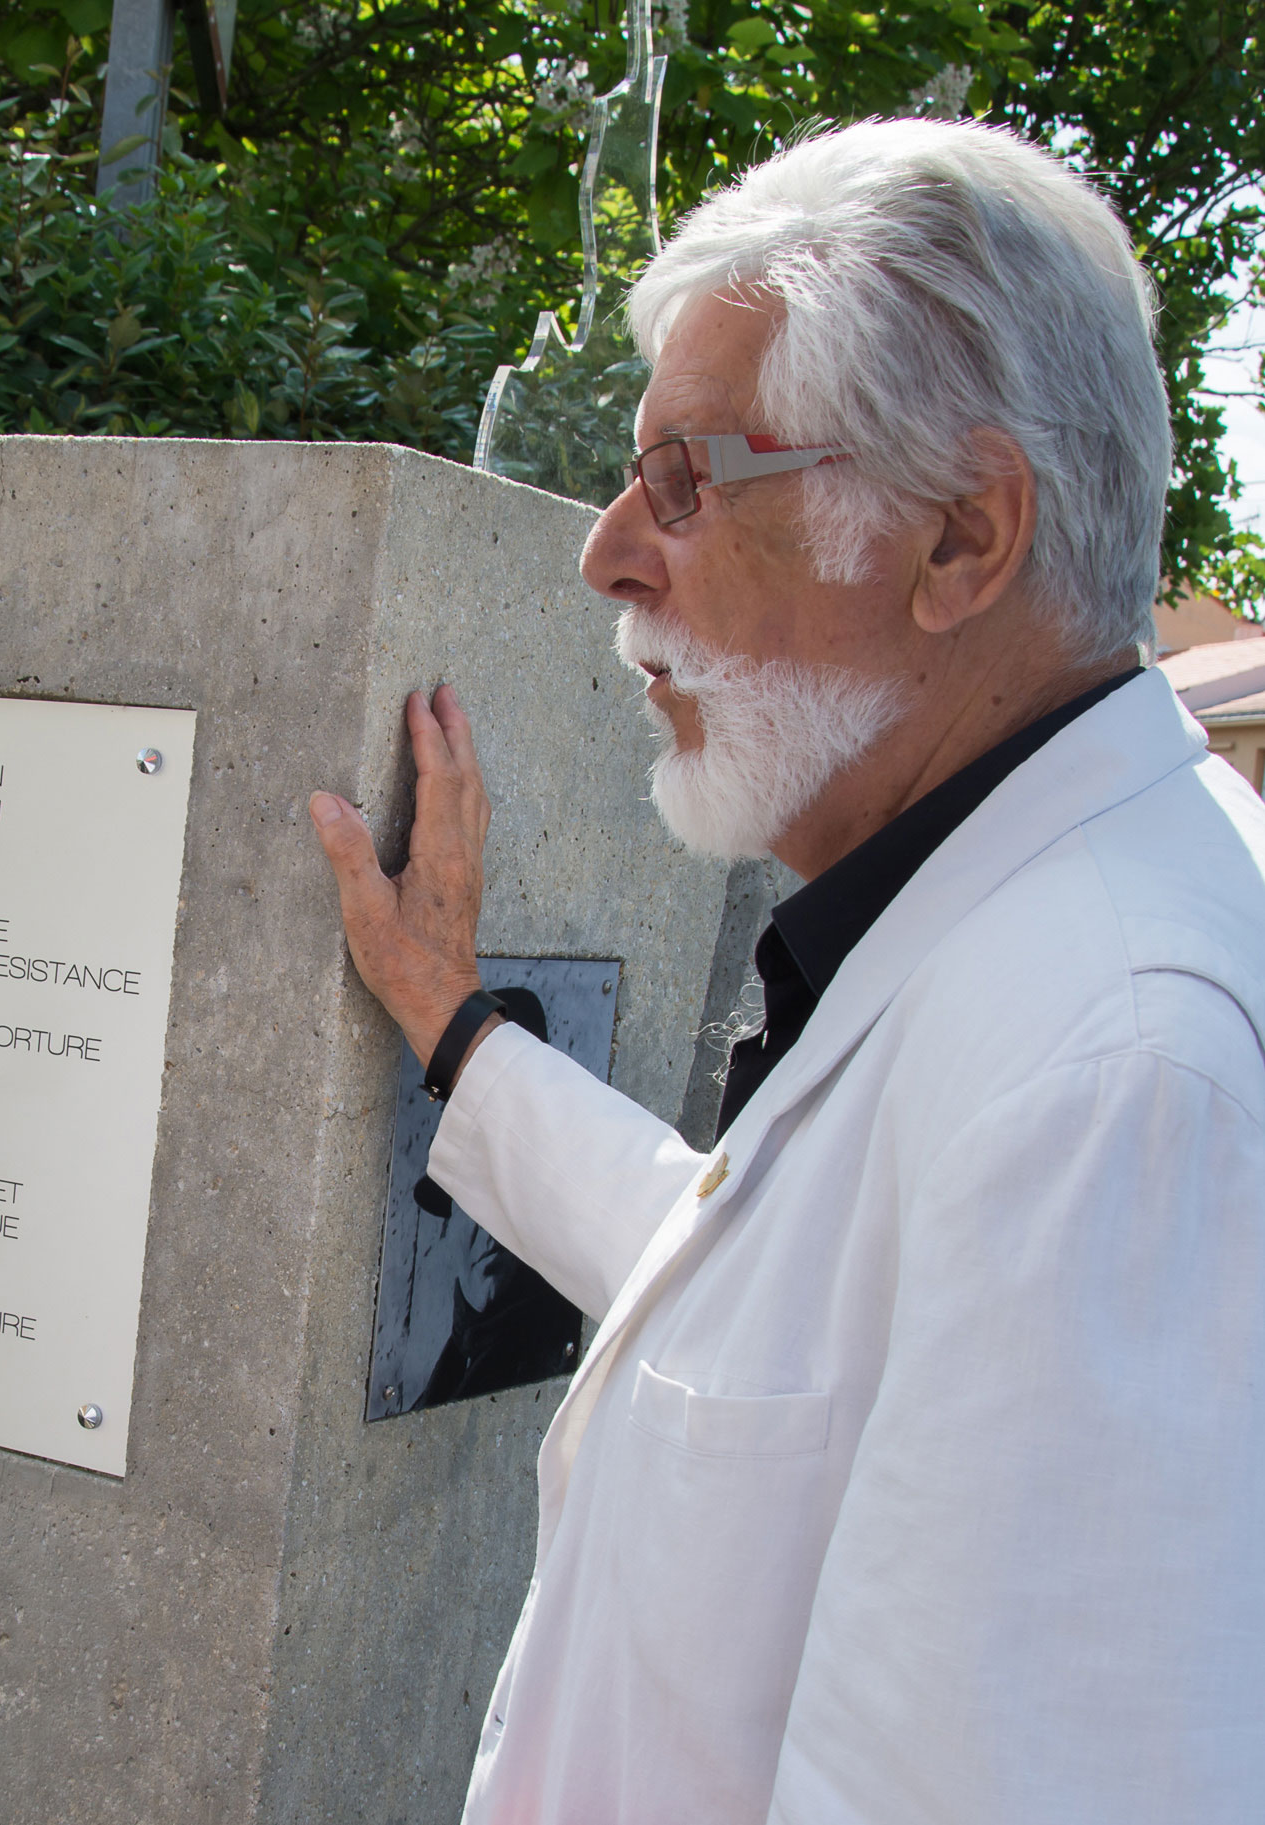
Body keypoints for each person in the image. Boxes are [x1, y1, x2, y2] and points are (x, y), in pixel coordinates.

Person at [311, 118, 1265, 1822]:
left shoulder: (1113, 1060)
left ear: (960, 539)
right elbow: (754, 1315)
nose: (605, 548)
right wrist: (456, 1028)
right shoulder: (1016, 930)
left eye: (686, 475)